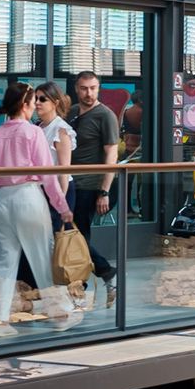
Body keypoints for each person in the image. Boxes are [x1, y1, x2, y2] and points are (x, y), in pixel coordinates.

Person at [0, 83, 79, 337]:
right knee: (42, 257)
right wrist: (62, 207)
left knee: (3, 262)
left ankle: (0, 321)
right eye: (33, 101)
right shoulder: (33, 133)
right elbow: (48, 175)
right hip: (28, 196)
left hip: (2, 198)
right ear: (25, 105)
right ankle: (60, 314)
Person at [68, 72, 119, 284]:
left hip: (91, 186)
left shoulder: (105, 115)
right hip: (70, 183)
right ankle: (96, 275)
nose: (89, 93)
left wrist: (104, 192)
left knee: (77, 235)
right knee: (71, 234)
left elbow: (112, 154)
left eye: (93, 88)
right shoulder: (71, 113)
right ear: (76, 89)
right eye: (84, 88)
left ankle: (89, 278)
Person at [34, 82, 78, 230]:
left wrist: (61, 202)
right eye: (35, 98)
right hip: (42, 189)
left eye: (42, 99)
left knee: (60, 237)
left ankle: (92, 255)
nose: (37, 103)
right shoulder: (39, 128)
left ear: (55, 103)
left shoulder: (61, 130)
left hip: (59, 190)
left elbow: (64, 171)